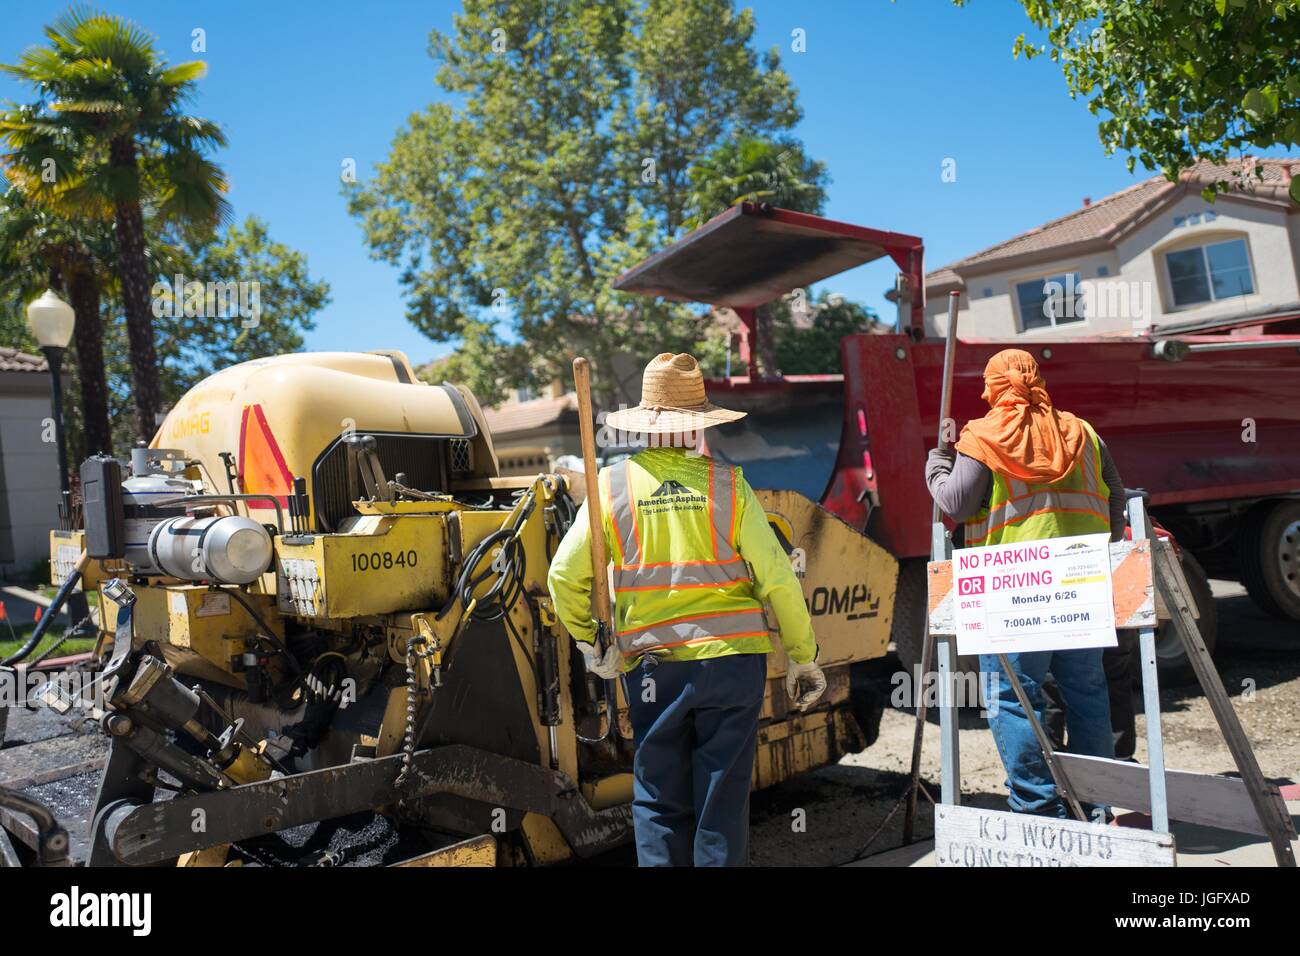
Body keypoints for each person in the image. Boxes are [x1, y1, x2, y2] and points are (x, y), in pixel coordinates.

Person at [547, 352, 826, 866]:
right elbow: (778, 577)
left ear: (646, 428)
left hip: (654, 670)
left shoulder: (610, 487)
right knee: (721, 805)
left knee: (658, 800)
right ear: (698, 426)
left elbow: (564, 575)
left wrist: (591, 642)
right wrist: (804, 654)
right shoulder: (729, 485)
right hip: (732, 664)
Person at [925, 348, 1127, 819]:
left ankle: (1037, 807)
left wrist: (936, 465)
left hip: (1011, 588)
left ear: (994, 385)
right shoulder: (1083, 432)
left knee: (1014, 697)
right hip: (1080, 581)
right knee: (1086, 690)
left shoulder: (984, 434)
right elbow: (1115, 498)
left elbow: (955, 502)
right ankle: (1095, 805)